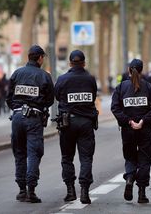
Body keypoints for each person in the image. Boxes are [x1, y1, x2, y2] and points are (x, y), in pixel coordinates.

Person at [6, 45, 54, 203]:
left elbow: (9, 97)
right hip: (34, 119)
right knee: (34, 153)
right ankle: (31, 190)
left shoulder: (17, 73)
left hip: (17, 117)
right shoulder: (44, 76)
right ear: (40, 58)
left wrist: (17, 108)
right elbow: (50, 100)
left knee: (20, 153)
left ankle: (21, 190)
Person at [111, 59, 151, 203]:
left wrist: (128, 121)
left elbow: (115, 108)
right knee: (145, 160)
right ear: (141, 70)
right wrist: (143, 121)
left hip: (127, 130)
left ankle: (129, 178)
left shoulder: (121, 87)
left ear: (129, 70)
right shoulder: (148, 87)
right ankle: (141, 193)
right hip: (145, 130)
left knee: (130, 158)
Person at [54, 50, 99, 204]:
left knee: (67, 158)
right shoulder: (90, 79)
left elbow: (57, 96)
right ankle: (85, 192)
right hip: (86, 123)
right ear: (84, 63)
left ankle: (70, 191)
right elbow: (93, 96)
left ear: (70, 63)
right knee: (86, 158)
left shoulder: (62, 79)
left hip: (68, 123)